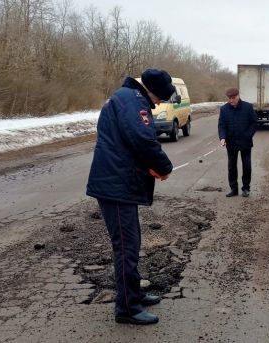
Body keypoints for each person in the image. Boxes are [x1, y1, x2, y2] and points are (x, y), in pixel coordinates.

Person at [86, 69, 176, 325]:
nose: (158, 104)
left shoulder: (127, 97)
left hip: (119, 183)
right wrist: (164, 166)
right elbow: (143, 139)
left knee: (131, 243)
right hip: (116, 185)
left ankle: (134, 293)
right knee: (126, 247)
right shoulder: (134, 103)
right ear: (152, 91)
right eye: (160, 99)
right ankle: (127, 308)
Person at [218, 87, 258, 197]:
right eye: (229, 98)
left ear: (238, 96)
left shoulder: (248, 107)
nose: (231, 100)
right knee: (231, 167)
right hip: (231, 143)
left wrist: (248, 135)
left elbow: (254, 123)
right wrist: (222, 137)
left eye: (233, 98)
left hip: (245, 142)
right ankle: (233, 189)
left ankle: (246, 188)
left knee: (246, 166)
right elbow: (221, 126)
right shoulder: (224, 109)